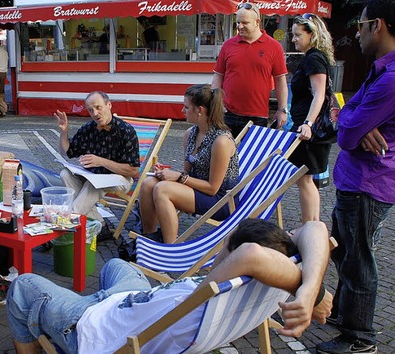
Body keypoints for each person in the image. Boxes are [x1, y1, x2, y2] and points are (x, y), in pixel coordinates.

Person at [7, 219, 333, 354]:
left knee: (22, 287)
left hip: (92, 327)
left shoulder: (220, 279)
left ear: (233, 252)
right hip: (134, 303)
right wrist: (310, 289)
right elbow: (315, 227)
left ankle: (57, 318)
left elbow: (250, 253)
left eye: (226, 247)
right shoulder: (245, 287)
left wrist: (308, 290)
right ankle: (83, 298)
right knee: (116, 265)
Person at [316, 1, 395, 353]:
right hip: (355, 180)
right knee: (345, 252)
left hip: (368, 183)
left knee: (359, 260)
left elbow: (345, 133)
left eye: (359, 25)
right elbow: (344, 107)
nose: (355, 32)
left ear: (377, 25)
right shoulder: (380, 70)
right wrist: (355, 119)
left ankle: (359, 338)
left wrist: (353, 123)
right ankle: (347, 315)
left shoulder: (390, 79)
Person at [139, 85, 239, 243]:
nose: (182, 111)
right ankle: (150, 238)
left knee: (162, 189)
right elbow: (187, 173)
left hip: (222, 200)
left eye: (186, 107)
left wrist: (177, 177)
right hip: (198, 190)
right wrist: (166, 174)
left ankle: (170, 248)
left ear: (200, 110)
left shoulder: (221, 142)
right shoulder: (190, 134)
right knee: (148, 184)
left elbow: (213, 188)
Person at [54, 91, 140, 222]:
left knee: (95, 183)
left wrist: (101, 161)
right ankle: (98, 222)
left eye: (98, 107)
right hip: (93, 177)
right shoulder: (88, 129)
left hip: (121, 179)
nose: (95, 113)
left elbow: (133, 171)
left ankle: (68, 218)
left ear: (109, 105)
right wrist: (64, 132)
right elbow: (67, 152)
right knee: (65, 173)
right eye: (90, 110)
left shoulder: (126, 131)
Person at [212, 3, 289, 138]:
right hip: (227, 113)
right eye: (238, 22)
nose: (240, 26)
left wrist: (282, 109)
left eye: (244, 23)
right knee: (224, 156)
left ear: (257, 22)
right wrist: (215, 103)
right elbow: (218, 76)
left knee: (253, 157)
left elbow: (280, 80)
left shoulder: (274, 47)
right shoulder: (228, 45)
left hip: (257, 116)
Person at [288, 14, 336, 223]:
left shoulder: (314, 58)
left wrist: (307, 124)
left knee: (305, 180)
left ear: (312, 34)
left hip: (310, 132)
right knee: (306, 181)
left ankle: (309, 227)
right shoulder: (315, 57)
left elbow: (320, 94)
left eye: (298, 35)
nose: (294, 39)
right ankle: (312, 226)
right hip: (310, 129)